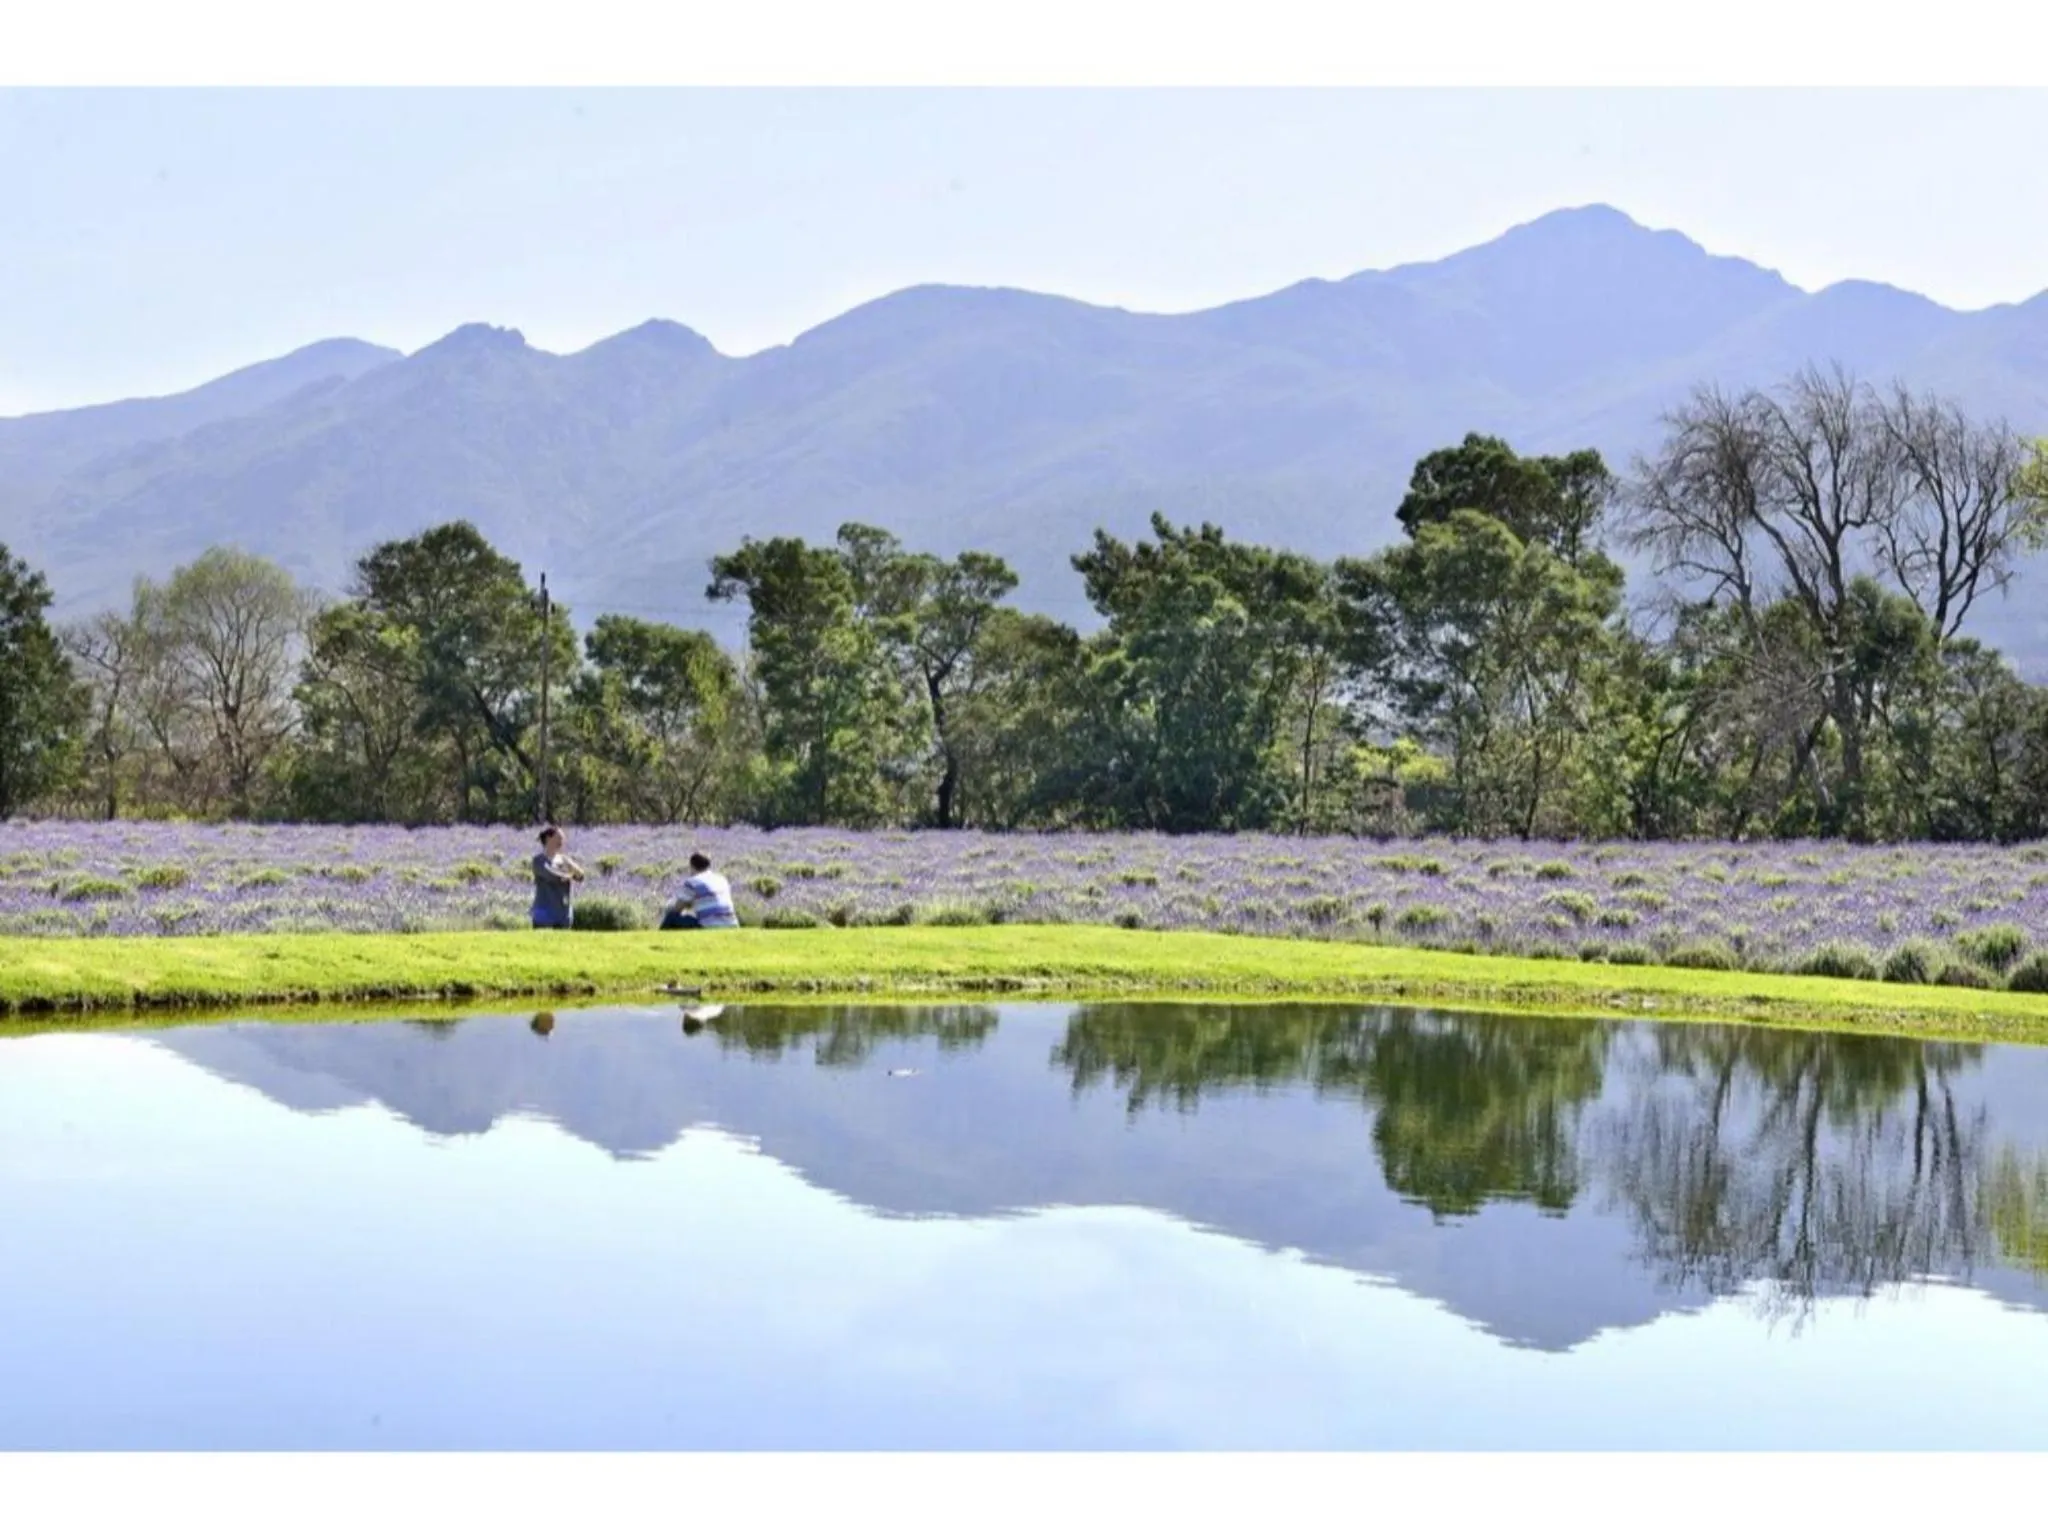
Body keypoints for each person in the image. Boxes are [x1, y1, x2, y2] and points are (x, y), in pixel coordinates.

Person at [661, 851, 740, 930]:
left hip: (710, 927)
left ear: (692, 866)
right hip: (732, 926)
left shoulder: (693, 882)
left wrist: (669, 907)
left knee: (671, 917)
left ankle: (659, 940)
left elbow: (677, 909)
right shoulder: (721, 879)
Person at [531, 824, 585, 930]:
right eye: (559, 838)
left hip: (563, 914)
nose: (562, 841)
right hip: (544, 914)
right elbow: (552, 876)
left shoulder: (564, 860)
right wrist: (569, 875)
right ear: (548, 838)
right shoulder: (538, 861)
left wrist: (571, 866)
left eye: (562, 838)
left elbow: (580, 876)